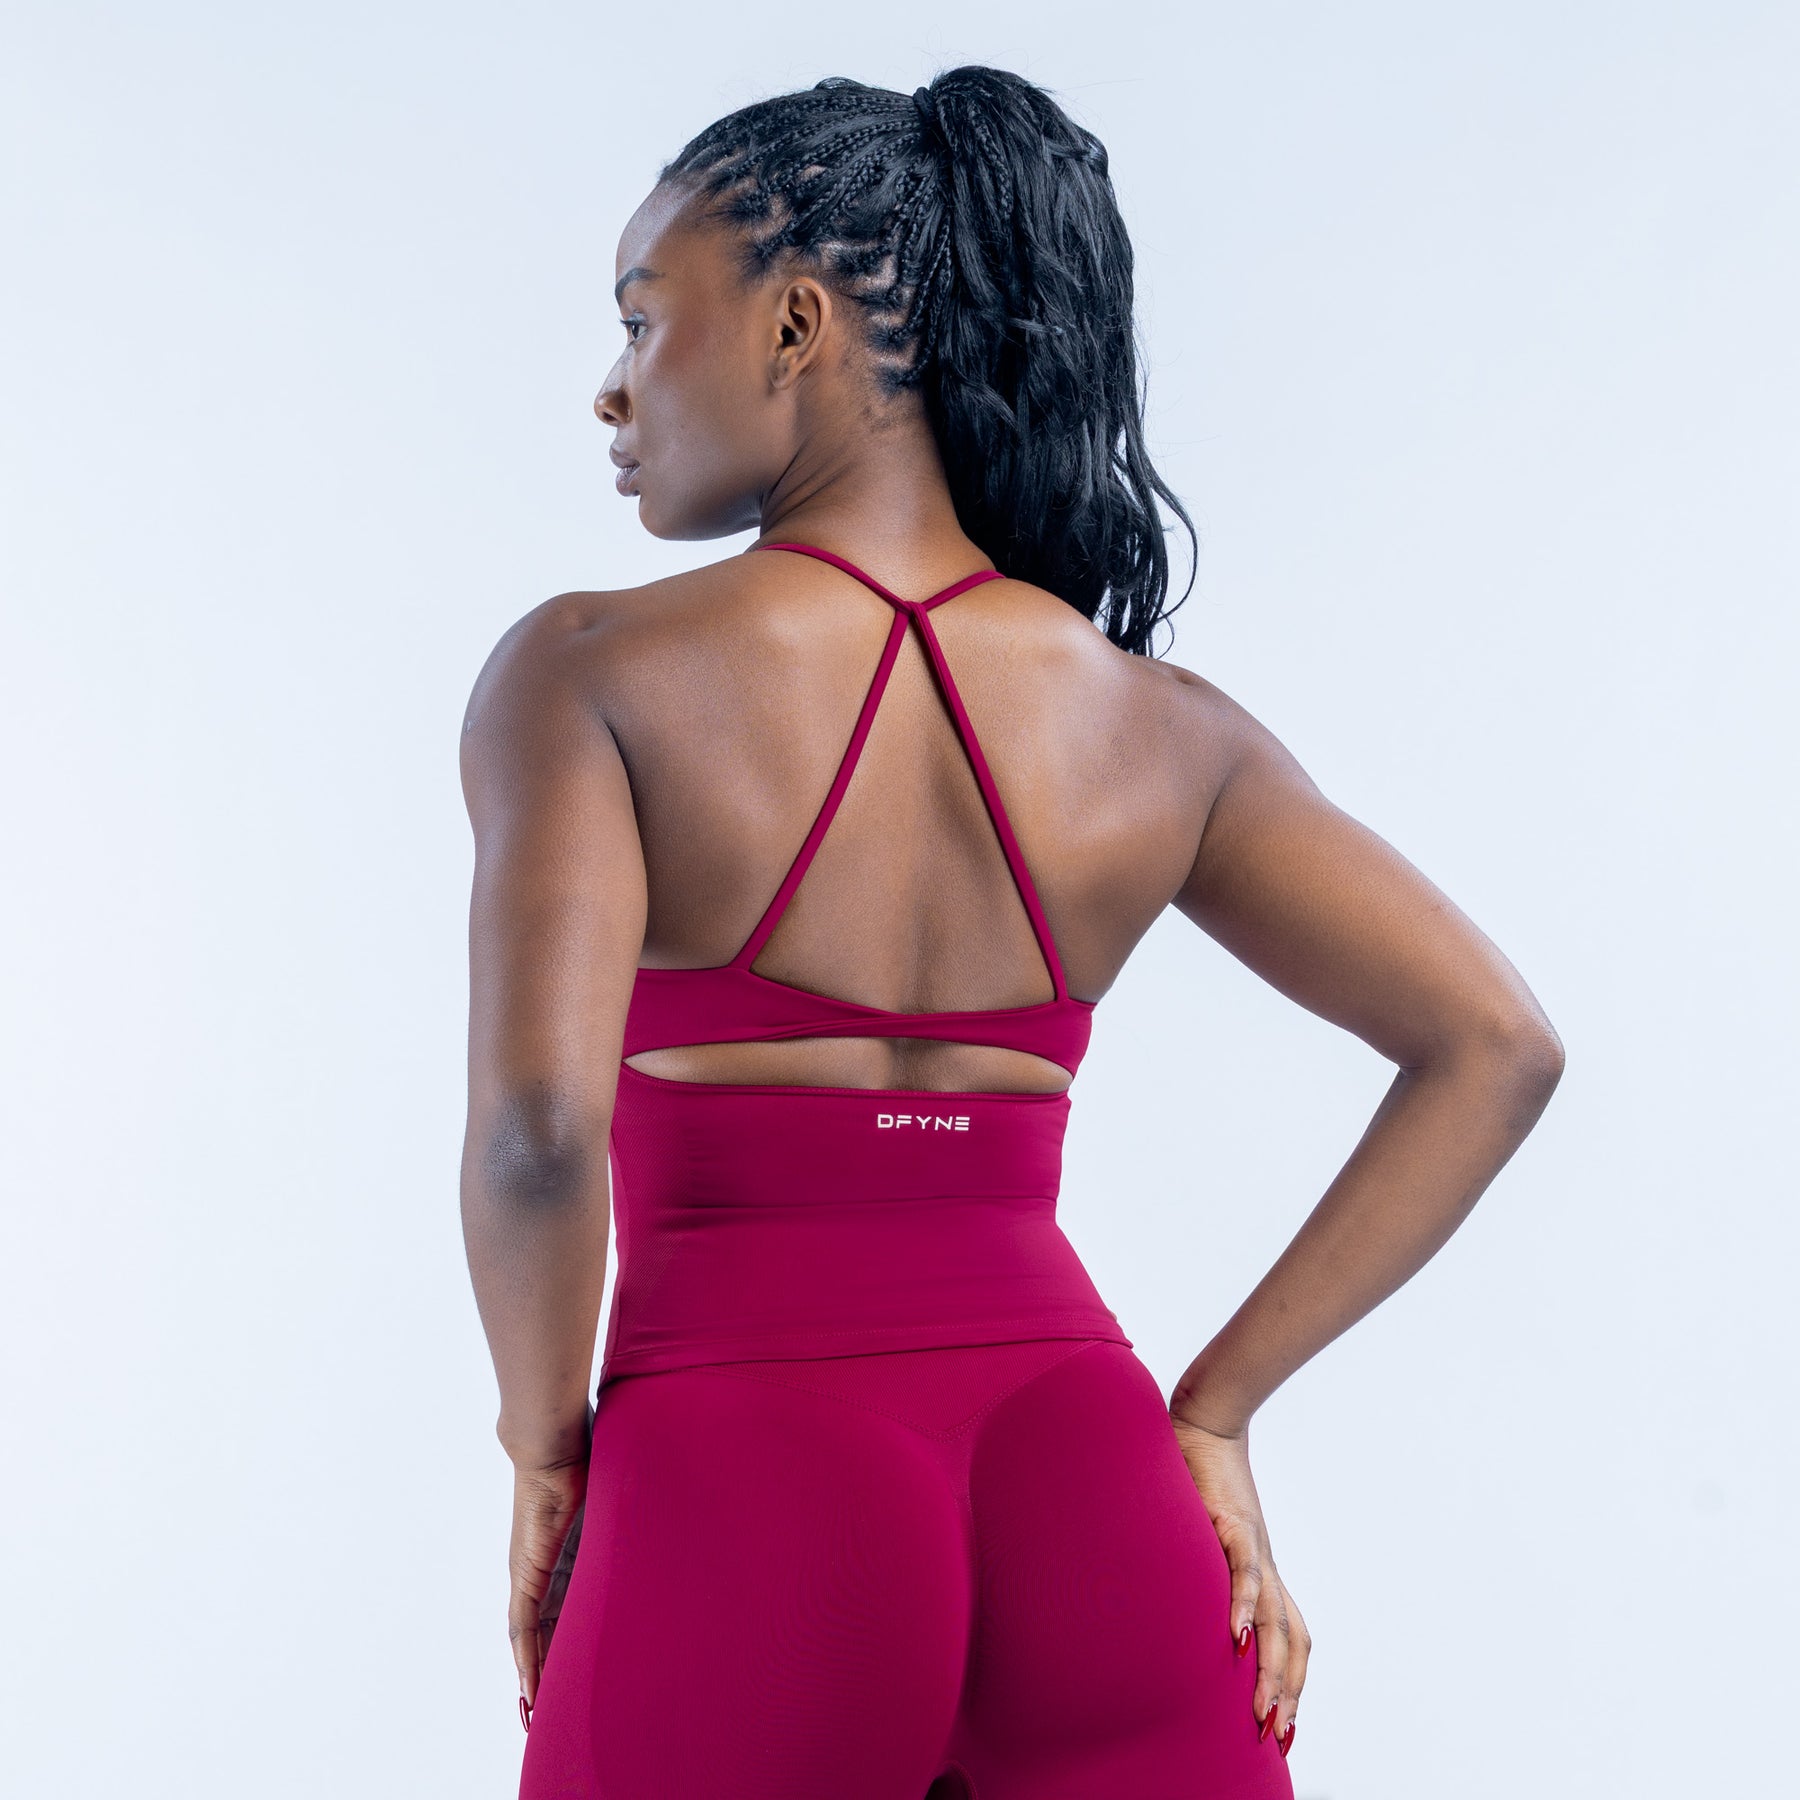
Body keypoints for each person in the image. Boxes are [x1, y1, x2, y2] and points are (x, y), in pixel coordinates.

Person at [459, 66, 1564, 1800]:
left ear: (796, 324)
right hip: (1086, 1484)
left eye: (641, 315)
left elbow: (538, 1136)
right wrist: (1212, 1410)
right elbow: (1495, 1043)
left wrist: (544, 1453)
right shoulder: (1163, 730)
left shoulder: (590, 672)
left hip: (738, 1482)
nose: (613, 384)